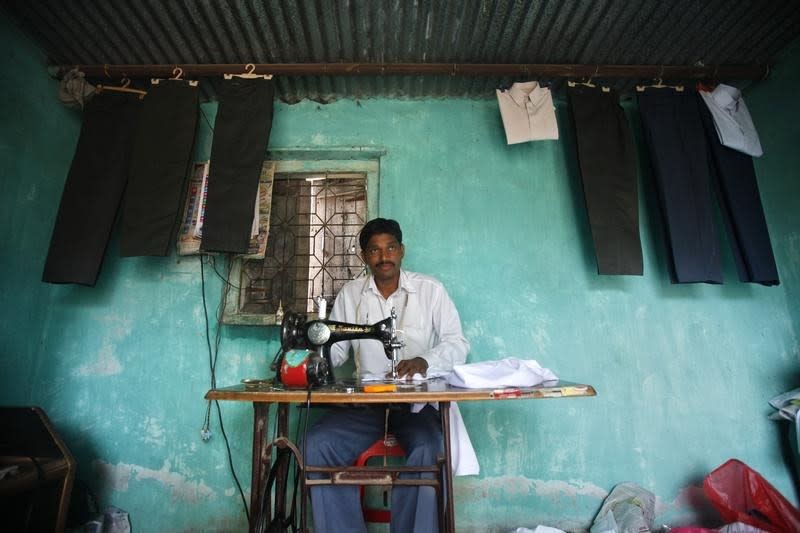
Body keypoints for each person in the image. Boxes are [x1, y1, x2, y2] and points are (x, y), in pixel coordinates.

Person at [304, 217, 470, 533]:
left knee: (430, 449)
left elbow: (457, 344)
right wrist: (314, 348)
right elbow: (336, 353)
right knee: (317, 442)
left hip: (417, 405)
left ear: (402, 250)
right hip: (366, 405)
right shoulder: (350, 295)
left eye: (390, 247)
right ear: (364, 256)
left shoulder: (430, 291)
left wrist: (424, 360)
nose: (384, 257)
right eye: (375, 250)